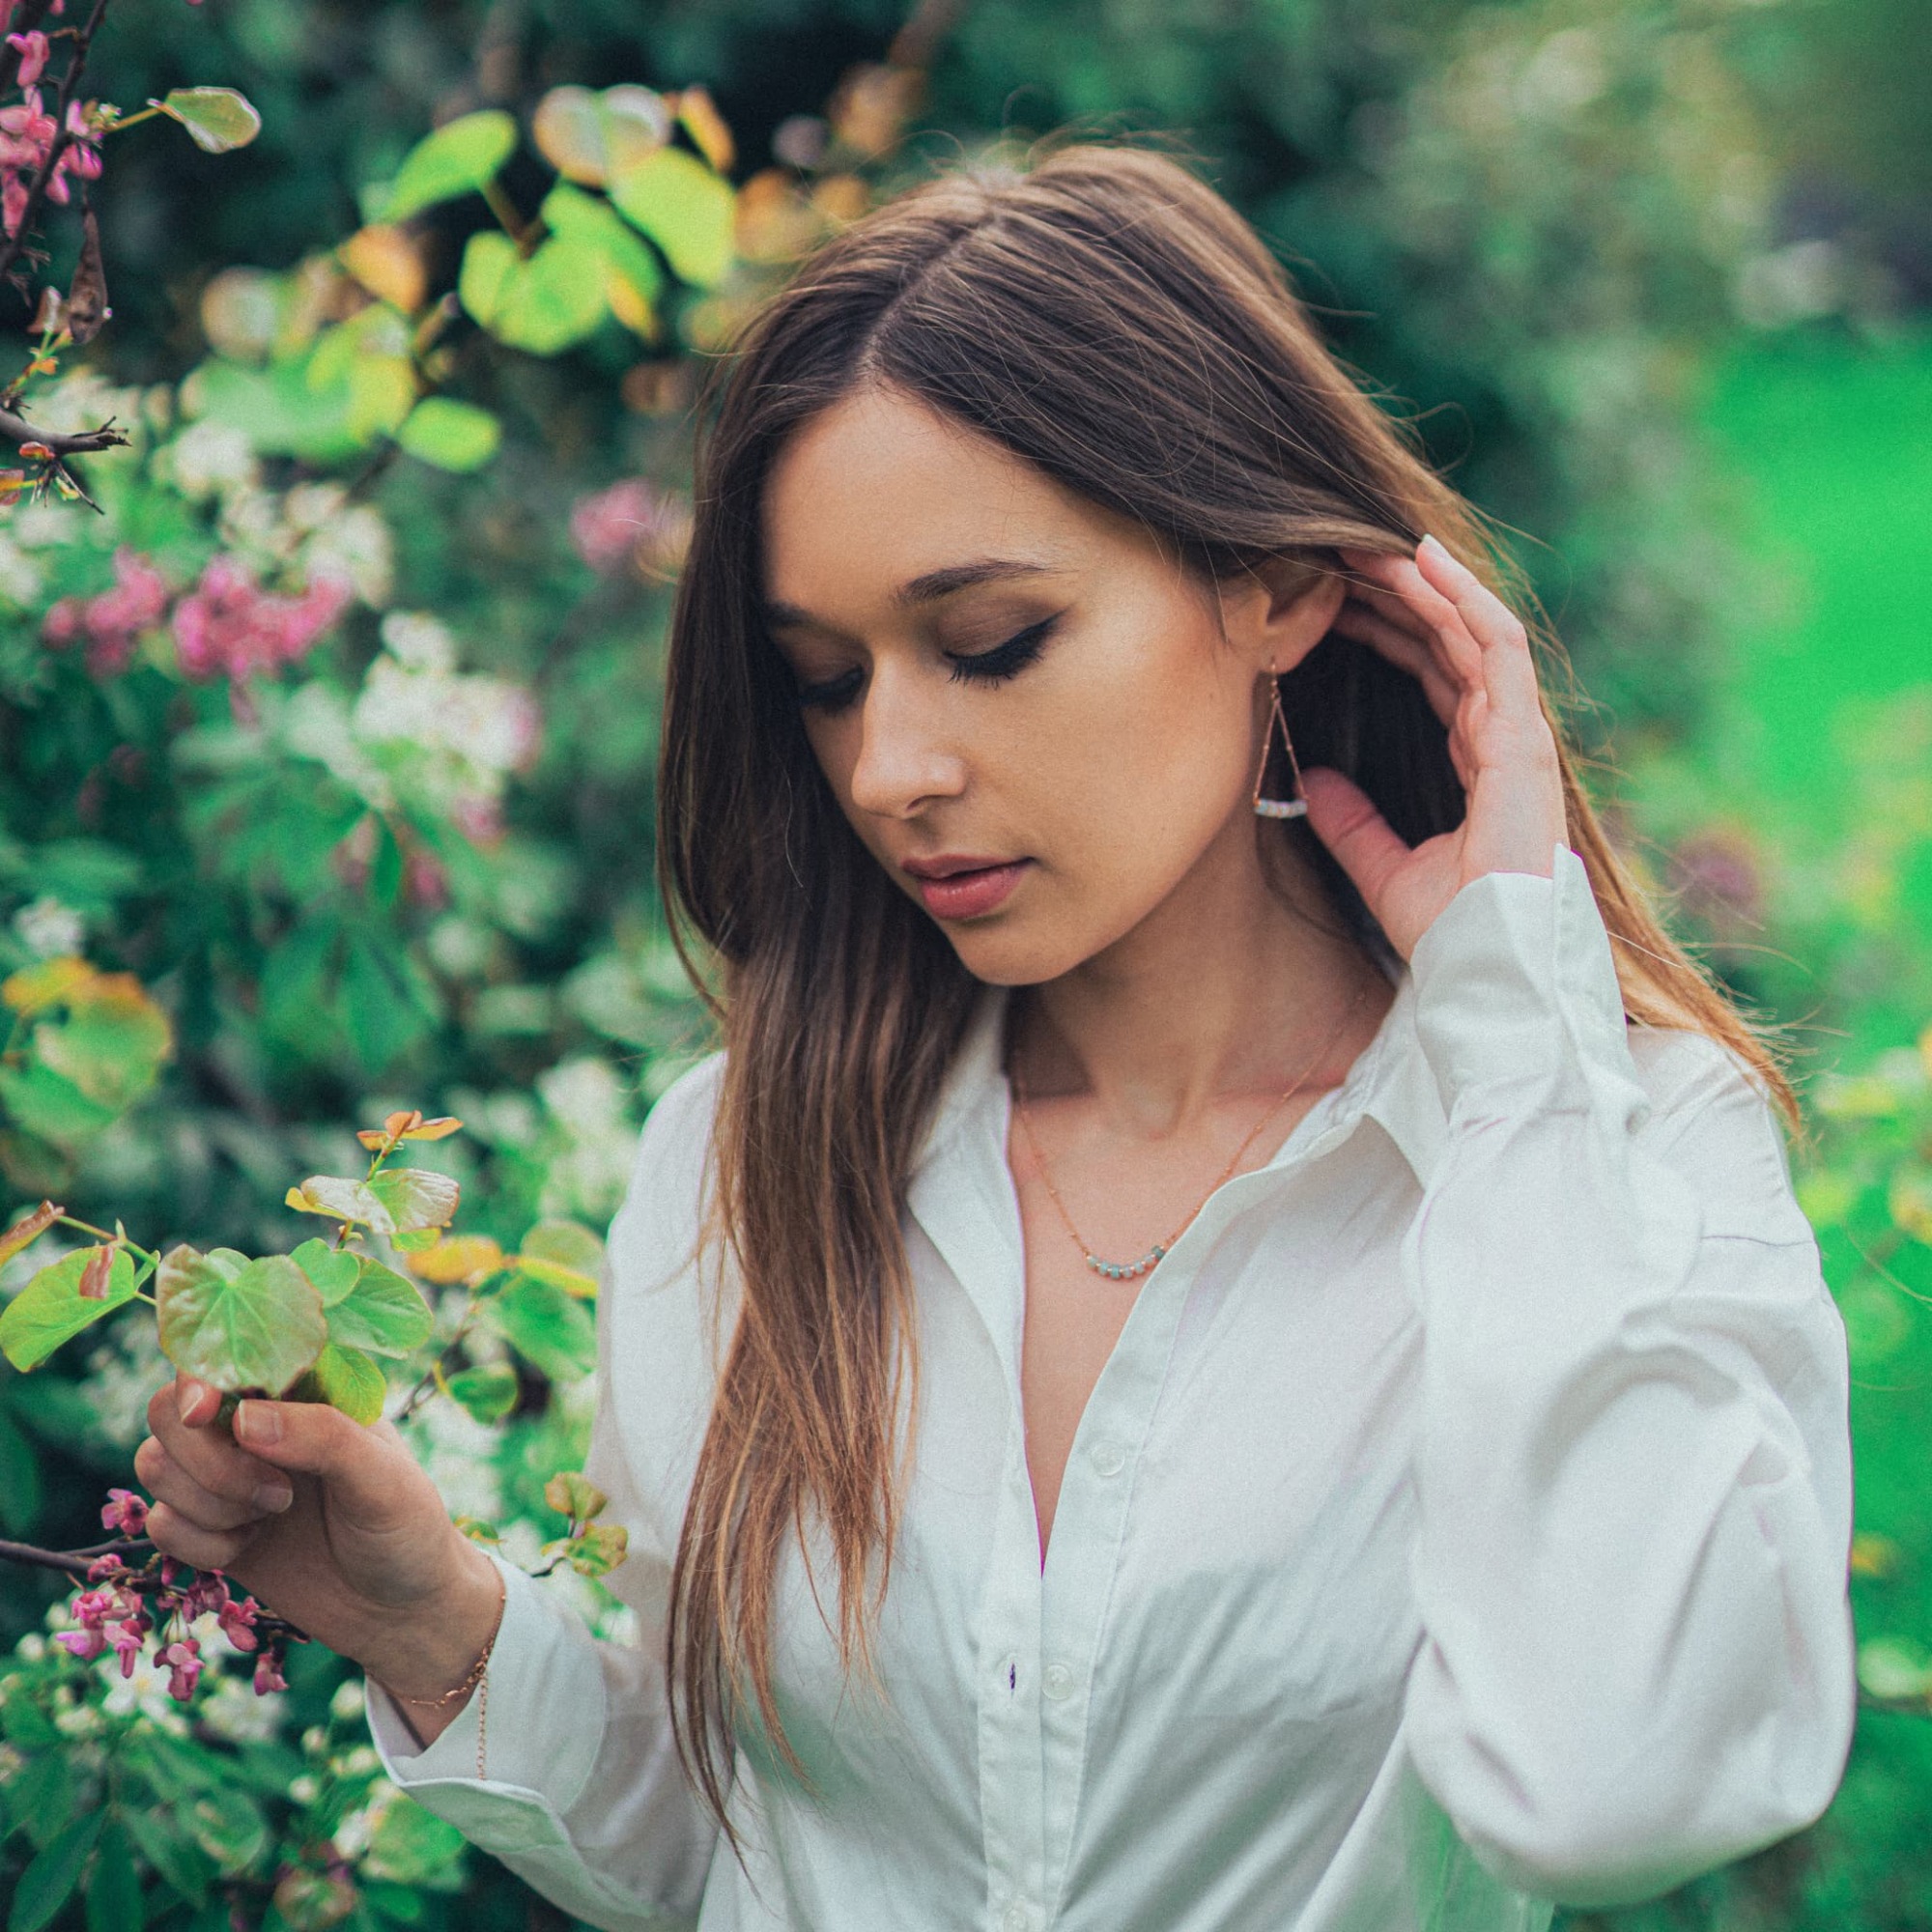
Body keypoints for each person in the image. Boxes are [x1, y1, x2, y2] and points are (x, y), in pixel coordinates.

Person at [135, 140, 1856, 1931]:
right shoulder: (745, 1161)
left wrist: (1515, 1038)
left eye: (993, 641)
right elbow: (742, 1848)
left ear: (1275, 586)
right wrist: (441, 1628)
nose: (891, 770)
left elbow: (1613, 1787)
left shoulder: (1612, 1151)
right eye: (829, 678)